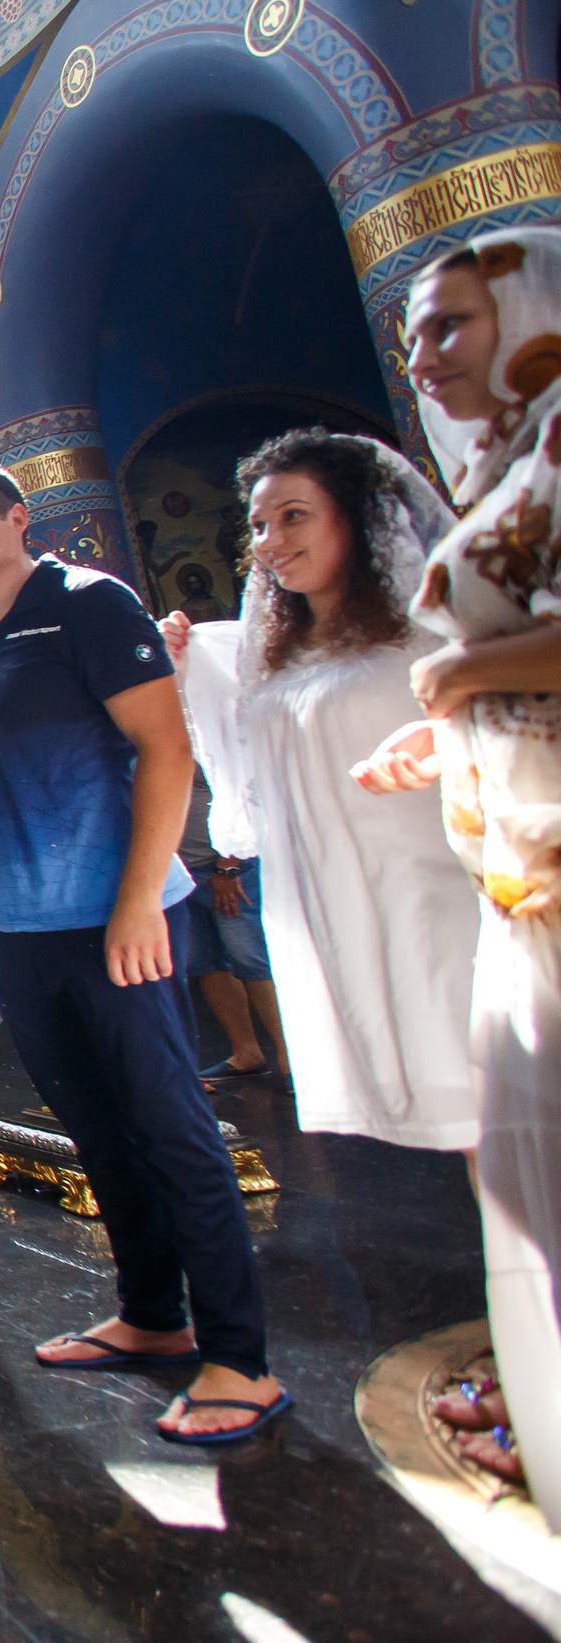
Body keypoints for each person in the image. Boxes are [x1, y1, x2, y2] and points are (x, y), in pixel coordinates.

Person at [0, 462, 288, 1444]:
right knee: (96, 1129)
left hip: (116, 921)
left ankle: (239, 1359)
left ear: (17, 519)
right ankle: (153, 1315)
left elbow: (166, 748)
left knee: (172, 1129)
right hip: (20, 931)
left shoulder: (88, 603)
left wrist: (136, 902)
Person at [353, 228, 561, 1491]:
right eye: (413, 333)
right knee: (536, 1175)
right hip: (520, 871)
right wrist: (445, 731)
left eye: (451, 324)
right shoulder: (503, 463)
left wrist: (456, 679)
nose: (422, 354)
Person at [163, 431, 473, 1147]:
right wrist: (182, 664)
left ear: (355, 517)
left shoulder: (433, 623)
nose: (271, 541)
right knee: (458, 1121)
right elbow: (232, 745)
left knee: (497, 1095)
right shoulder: (273, 648)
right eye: (259, 525)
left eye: (294, 516)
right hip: (340, 899)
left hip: (440, 887)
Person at [166, 625, 287, 1081]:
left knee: (253, 961)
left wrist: (228, 865)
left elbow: (236, 790)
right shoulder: (149, 722)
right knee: (206, 964)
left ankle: (290, 1058)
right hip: (181, 871)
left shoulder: (206, 718)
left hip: (228, 866)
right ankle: (246, 1051)